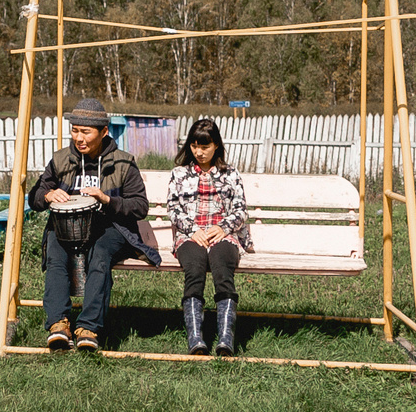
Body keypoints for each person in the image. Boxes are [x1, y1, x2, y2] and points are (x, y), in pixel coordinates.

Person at [26, 96, 149, 353]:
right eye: (74, 131)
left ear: (104, 131)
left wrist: (107, 199)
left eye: (85, 132)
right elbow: (35, 196)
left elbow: (140, 206)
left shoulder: (124, 162)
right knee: (56, 252)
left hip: (111, 228)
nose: (79, 138)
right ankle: (58, 324)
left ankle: (88, 328)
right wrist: (47, 195)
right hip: (66, 229)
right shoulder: (61, 160)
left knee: (100, 253)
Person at [167, 117, 253, 356]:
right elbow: (173, 209)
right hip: (190, 235)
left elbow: (240, 209)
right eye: (194, 146)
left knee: (222, 269)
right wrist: (193, 230)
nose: (199, 152)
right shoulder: (179, 174)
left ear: (216, 145)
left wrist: (224, 228)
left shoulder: (230, 175)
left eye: (205, 147)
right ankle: (196, 339)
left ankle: (226, 339)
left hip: (222, 235)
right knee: (194, 270)